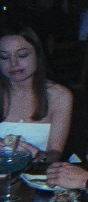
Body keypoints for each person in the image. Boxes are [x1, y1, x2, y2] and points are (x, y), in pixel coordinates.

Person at [0, 22, 73, 163]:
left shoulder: (59, 96)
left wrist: (37, 155)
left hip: (34, 175)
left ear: (37, 55)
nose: (13, 63)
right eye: (4, 57)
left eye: (22, 55)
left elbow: (55, 153)